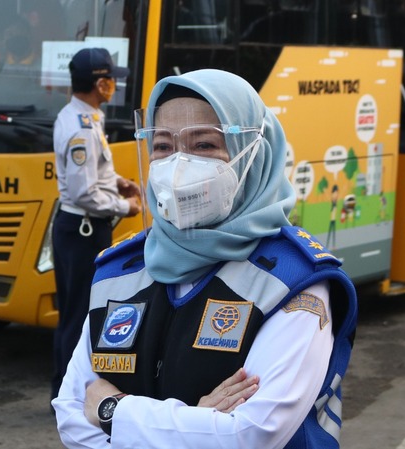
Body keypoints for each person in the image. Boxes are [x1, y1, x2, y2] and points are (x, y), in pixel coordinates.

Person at [52, 69, 357, 448]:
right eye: (162, 146)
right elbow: (70, 413)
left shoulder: (292, 278)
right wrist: (198, 422)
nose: (179, 165)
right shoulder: (121, 270)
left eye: (205, 145)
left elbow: (250, 436)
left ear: (255, 154)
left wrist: (115, 410)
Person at [51, 47, 142, 401]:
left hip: (78, 227)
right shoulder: (82, 129)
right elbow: (84, 191)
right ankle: (65, 396)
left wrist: (118, 181)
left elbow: (94, 171)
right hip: (84, 229)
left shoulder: (82, 115)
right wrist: (127, 205)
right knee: (78, 318)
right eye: (110, 80)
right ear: (99, 83)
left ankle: (63, 392)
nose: (114, 86)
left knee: (74, 313)